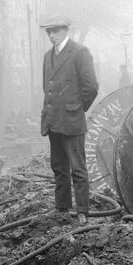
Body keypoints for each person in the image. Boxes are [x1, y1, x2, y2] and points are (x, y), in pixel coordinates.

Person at [39, 15, 99, 225]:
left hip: (72, 121)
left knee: (78, 168)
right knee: (59, 167)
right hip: (53, 121)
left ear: (66, 31)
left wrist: (76, 108)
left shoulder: (80, 53)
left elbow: (91, 87)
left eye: (55, 31)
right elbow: (47, 87)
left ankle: (83, 211)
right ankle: (62, 207)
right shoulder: (48, 56)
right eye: (48, 32)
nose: (51, 36)